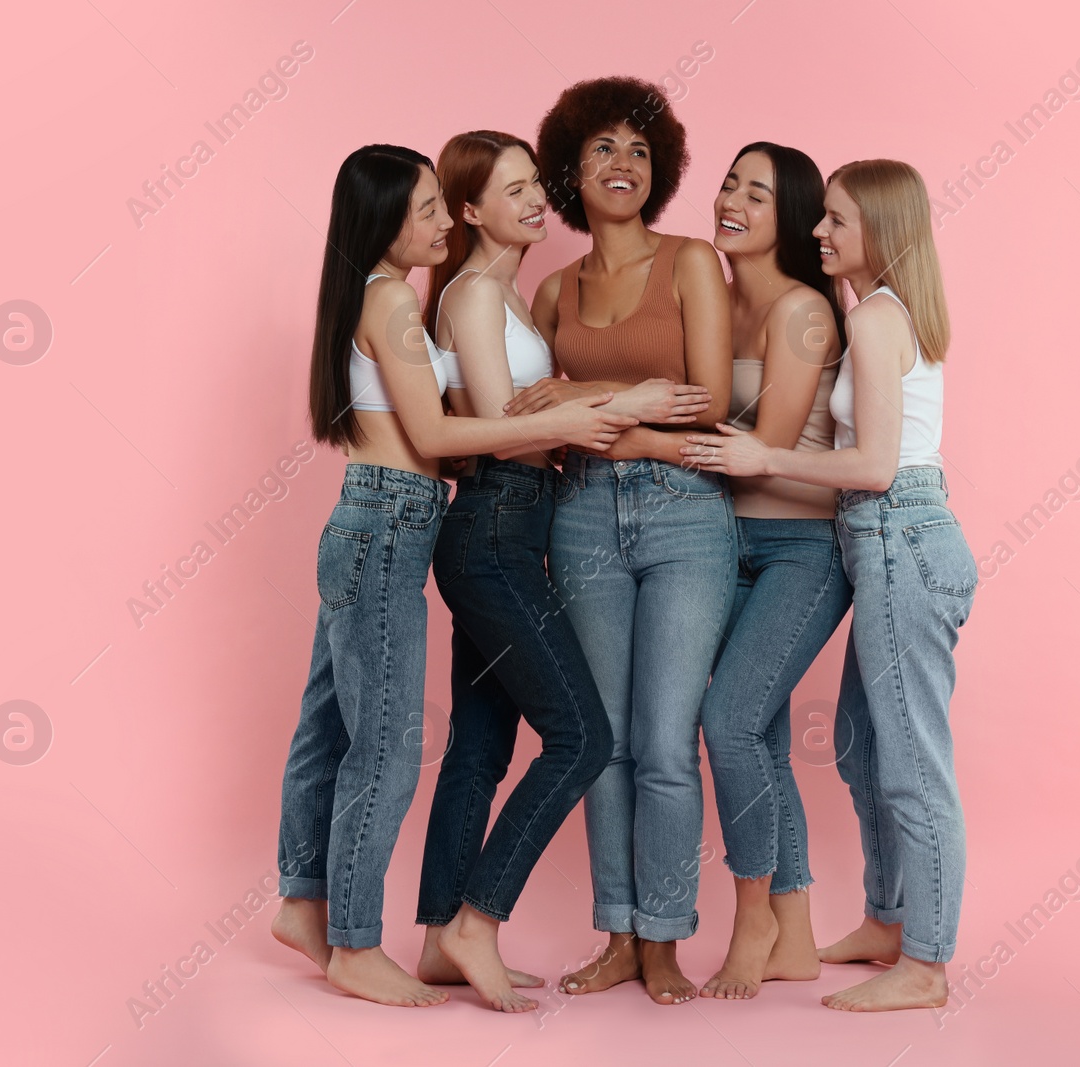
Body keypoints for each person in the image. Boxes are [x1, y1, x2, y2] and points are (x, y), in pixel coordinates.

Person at [270, 143, 635, 1008]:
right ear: (382, 220)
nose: (441, 221)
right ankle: (354, 943)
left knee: (328, 729)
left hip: (381, 518)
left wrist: (561, 410)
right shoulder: (392, 298)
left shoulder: (379, 297)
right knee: (388, 746)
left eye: (443, 205)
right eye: (427, 208)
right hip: (388, 522)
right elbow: (435, 439)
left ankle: (303, 900)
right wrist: (579, 417)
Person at [413, 130, 705, 1013]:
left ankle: (435, 940)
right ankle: (476, 920)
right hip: (498, 526)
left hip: (513, 525)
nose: (538, 201)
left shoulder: (506, 292)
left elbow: (529, 406)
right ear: (471, 211)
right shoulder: (471, 294)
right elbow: (510, 421)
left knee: (478, 745)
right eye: (514, 191)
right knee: (581, 737)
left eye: (538, 185)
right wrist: (629, 400)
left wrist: (583, 401)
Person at [683, 158, 977, 1012]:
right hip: (882, 539)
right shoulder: (878, 315)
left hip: (901, 536)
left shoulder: (878, 321)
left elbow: (880, 466)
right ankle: (888, 921)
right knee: (861, 745)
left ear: (879, 232)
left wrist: (765, 455)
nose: (820, 232)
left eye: (837, 221)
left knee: (912, 762)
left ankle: (925, 963)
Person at [505, 76, 736, 1005]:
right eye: (603, 147)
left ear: (662, 169)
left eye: (640, 150)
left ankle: (668, 938)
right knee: (602, 742)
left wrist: (584, 404)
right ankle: (619, 933)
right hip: (585, 511)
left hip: (687, 512)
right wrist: (591, 412)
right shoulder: (554, 288)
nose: (624, 164)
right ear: (570, 167)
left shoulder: (690, 265)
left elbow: (711, 405)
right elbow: (523, 412)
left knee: (667, 741)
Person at [694, 143, 849, 1001]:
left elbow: (765, 453)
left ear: (788, 217)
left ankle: (751, 913)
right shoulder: (711, 300)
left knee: (729, 718)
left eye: (758, 193)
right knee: (763, 739)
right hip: (725, 544)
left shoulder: (801, 312)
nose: (733, 201)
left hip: (804, 548)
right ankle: (795, 930)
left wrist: (639, 431)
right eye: (728, 183)